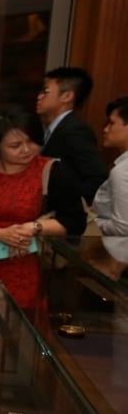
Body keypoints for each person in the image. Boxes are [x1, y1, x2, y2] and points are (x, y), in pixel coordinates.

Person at [0, 105, 86, 311]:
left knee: (22, 332)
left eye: (32, 141)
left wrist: (34, 227)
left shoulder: (53, 172)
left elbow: (75, 221)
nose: (26, 150)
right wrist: (0, 234)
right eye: (15, 145)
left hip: (32, 268)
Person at [37, 66, 108, 205]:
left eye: (45, 91)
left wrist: (64, 202)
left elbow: (98, 177)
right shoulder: (54, 128)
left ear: (67, 96)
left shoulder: (75, 130)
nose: (39, 96)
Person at [90, 96, 128, 279]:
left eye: (112, 123)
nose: (105, 129)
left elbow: (123, 226)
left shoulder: (122, 171)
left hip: (119, 260)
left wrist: (92, 223)